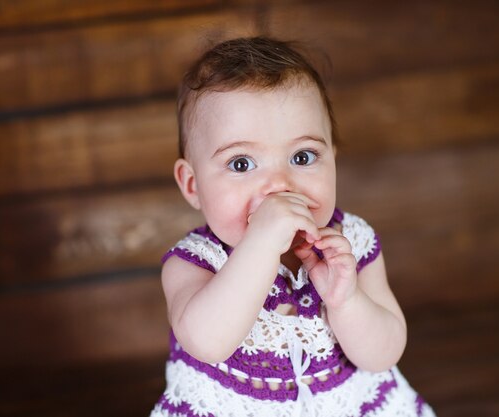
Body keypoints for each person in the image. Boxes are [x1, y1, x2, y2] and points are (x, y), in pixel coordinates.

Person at [150, 36, 435, 417]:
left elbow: (383, 353)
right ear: (192, 184)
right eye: (241, 164)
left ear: (333, 159)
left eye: (303, 156)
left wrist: (347, 300)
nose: (280, 184)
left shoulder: (351, 242)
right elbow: (207, 341)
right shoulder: (194, 262)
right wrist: (262, 245)